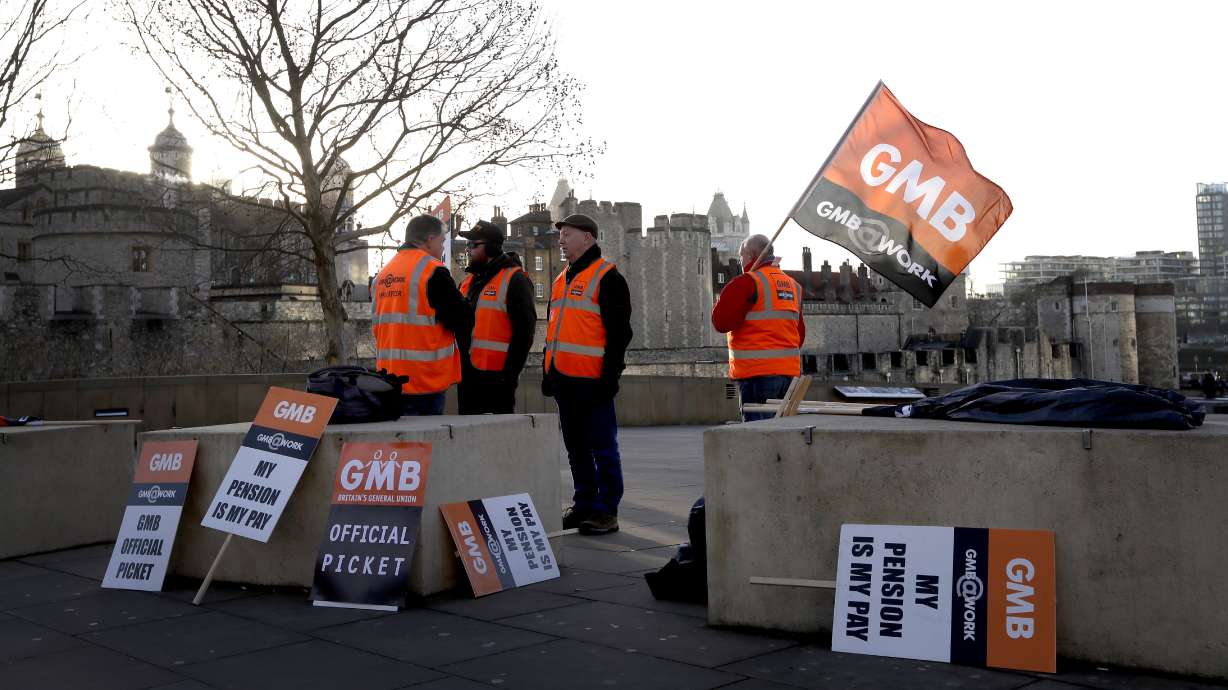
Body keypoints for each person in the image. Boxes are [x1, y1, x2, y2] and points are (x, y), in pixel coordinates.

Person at [543, 213, 632, 535]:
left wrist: (610, 378)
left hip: (593, 380)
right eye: (561, 236)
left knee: (603, 447)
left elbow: (620, 334)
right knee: (576, 447)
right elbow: (554, 331)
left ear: (588, 238)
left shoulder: (607, 277)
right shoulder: (560, 279)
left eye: (567, 234)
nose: (561, 240)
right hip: (564, 378)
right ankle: (583, 504)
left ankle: (606, 510)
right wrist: (547, 370)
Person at [372, 215, 473, 416]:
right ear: (429, 240)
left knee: (398, 444)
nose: (442, 248)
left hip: (388, 380)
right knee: (425, 444)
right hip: (424, 381)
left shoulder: (383, 275)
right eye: (441, 242)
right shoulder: (432, 270)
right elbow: (462, 318)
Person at [711, 234, 805, 422]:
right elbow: (799, 334)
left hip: (757, 375)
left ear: (751, 255)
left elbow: (721, 322)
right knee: (781, 433)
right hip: (789, 375)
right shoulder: (793, 286)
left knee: (758, 436)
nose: (740, 260)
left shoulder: (746, 283)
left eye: (741, 255)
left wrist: (721, 300)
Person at [457, 220, 537, 414]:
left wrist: (508, 377)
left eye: (473, 245)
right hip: (468, 379)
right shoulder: (467, 283)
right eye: (468, 245)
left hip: (498, 381)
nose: (468, 250)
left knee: (498, 440)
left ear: (492, 247)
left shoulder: (515, 279)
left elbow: (524, 334)